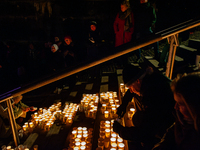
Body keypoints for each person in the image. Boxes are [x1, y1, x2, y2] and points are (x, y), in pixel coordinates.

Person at [113, 64, 175, 150]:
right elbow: (130, 92)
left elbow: (144, 132)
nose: (130, 90)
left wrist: (120, 130)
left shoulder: (153, 94)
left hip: (168, 123)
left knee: (140, 124)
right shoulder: (149, 79)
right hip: (160, 113)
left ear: (138, 81)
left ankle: (152, 142)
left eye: (130, 87)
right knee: (136, 118)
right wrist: (123, 105)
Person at [153, 73, 200, 150]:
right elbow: (171, 135)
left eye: (180, 104)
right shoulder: (182, 119)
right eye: (176, 102)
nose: (175, 107)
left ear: (193, 105)